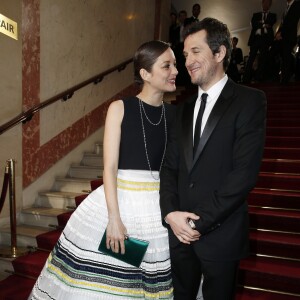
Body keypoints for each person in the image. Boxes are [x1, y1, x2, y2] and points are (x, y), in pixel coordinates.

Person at [28, 40, 178, 300]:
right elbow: (108, 168)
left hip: (158, 205)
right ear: (145, 74)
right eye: (167, 65)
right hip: (120, 202)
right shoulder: (120, 108)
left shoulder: (174, 115)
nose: (176, 70)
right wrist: (114, 218)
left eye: (175, 64)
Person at [160, 18, 266, 300]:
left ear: (219, 53)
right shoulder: (180, 110)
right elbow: (169, 168)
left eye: (196, 51)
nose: (188, 61)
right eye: (185, 55)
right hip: (180, 236)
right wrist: (171, 214)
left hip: (221, 235)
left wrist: (198, 223)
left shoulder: (249, 101)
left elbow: (243, 175)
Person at [243, 0, 277, 83]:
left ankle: (258, 78)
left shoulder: (273, 15)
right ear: (262, 4)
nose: (266, 4)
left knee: (263, 59)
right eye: (264, 3)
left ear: (270, 5)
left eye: (268, 3)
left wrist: (260, 23)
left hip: (265, 39)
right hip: (256, 39)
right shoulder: (256, 15)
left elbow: (271, 23)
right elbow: (254, 25)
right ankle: (246, 78)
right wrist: (265, 24)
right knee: (251, 58)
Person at [275, 0, 300, 84]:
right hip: (284, 37)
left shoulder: (297, 4)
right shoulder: (287, 7)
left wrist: (281, 33)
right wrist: (278, 34)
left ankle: (285, 79)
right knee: (284, 58)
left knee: (286, 58)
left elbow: (292, 21)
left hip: (290, 37)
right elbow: (283, 23)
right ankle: (283, 78)